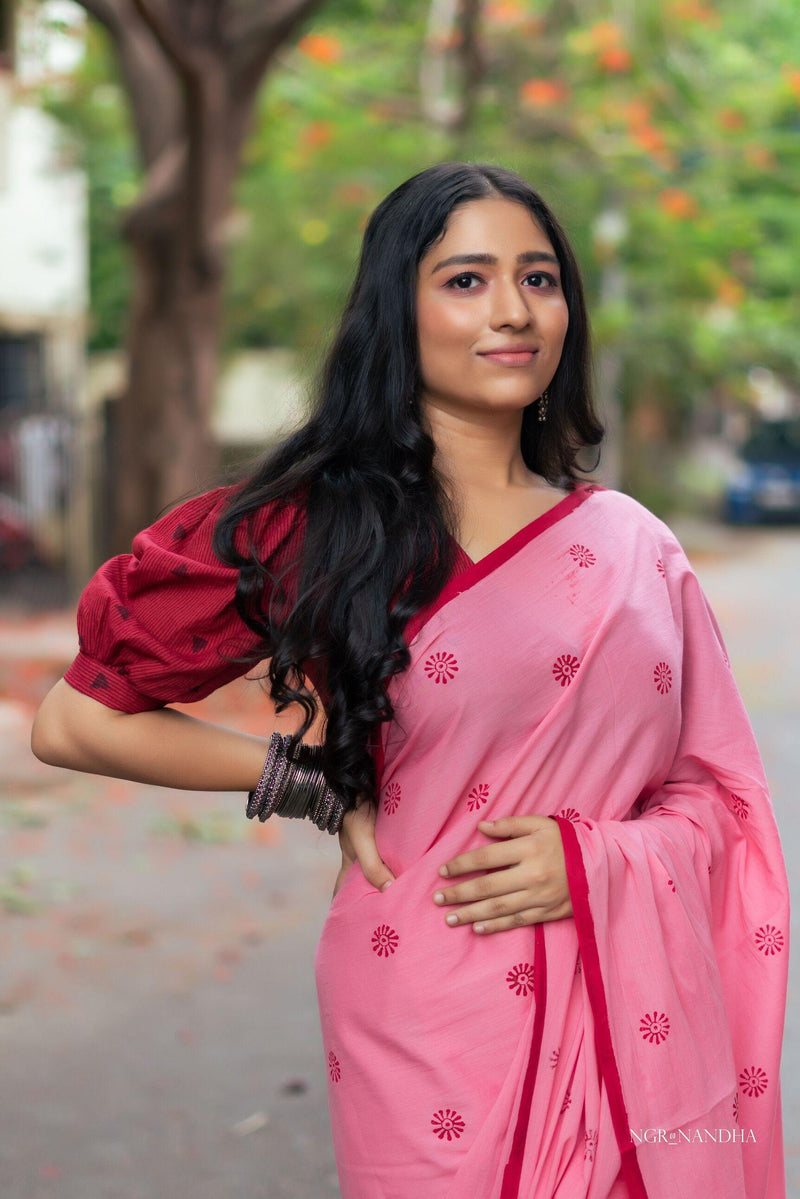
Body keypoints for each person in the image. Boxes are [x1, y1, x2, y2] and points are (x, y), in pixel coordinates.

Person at [31, 162, 789, 1199]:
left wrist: (597, 860)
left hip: (625, 996)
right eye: (466, 280)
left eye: (539, 277)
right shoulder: (311, 527)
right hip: (425, 1001)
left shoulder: (633, 547)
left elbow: (719, 797)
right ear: (398, 304)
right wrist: (308, 782)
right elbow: (76, 721)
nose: (514, 311)